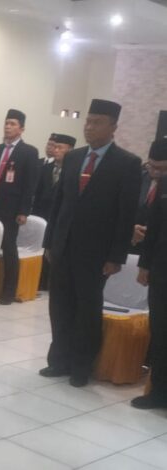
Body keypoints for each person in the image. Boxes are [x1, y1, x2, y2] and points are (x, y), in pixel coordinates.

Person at [41, 99, 141, 387]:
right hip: (63, 246)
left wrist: (116, 256)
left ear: (113, 127)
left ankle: (81, 366)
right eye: (88, 121)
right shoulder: (73, 158)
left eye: (97, 122)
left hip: (97, 252)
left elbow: (125, 215)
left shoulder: (127, 163)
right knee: (60, 305)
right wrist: (50, 242)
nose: (89, 127)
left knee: (86, 309)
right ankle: (59, 360)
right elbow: (58, 205)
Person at [0, 109, 40, 304]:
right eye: (6, 123)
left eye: (12, 124)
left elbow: (30, 184)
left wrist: (24, 211)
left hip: (11, 209)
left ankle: (8, 291)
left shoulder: (29, 152)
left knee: (8, 247)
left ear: (21, 129)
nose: (7, 127)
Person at [132, 137, 167, 410]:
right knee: (161, 332)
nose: (156, 173)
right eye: (153, 167)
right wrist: (144, 265)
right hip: (161, 270)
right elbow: (154, 228)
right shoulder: (163, 185)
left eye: (162, 168)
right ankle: (158, 393)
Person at [33, 133, 75, 290]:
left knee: (54, 251)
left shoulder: (73, 172)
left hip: (59, 218)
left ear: (70, 150)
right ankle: (39, 281)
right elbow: (37, 193)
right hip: (41, 215)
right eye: (54, 147)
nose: (55, 150)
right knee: (40, 249)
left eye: (60, 148)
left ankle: (51, 282)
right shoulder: (45, 169)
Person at [131, 156, 165, 254]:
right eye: (151, 166)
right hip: (131, 245)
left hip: (159, 250)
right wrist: (130, 229)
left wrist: (153, 230)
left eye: (161, 168)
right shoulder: (136, 179)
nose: (155, 172)